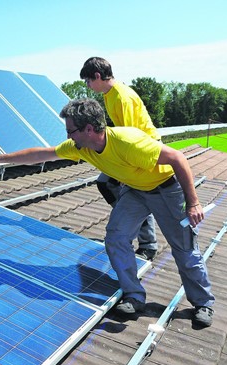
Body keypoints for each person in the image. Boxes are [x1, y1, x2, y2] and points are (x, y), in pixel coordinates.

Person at [0, 98, 215, 327]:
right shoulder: (81, 147)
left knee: (183, 248)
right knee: (116, 237)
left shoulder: (127, 142)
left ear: (89, 129)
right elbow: (41, 154)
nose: (68, 136)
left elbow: (177, 158)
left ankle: (203, 303)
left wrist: (193, 202)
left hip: (165, 190)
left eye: (71, 131)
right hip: (135, 190)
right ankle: (133, 295)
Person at [80, 57, 160, 261]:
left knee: (134, 194)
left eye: (88, 81)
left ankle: (148, 245)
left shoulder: (121, 97)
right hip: (131, 149)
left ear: (98, 76)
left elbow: (133, 136)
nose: (88, 86)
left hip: (144, 150)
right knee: (105, 184)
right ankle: (129, 224)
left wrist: (126, 169)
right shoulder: (110, 94)